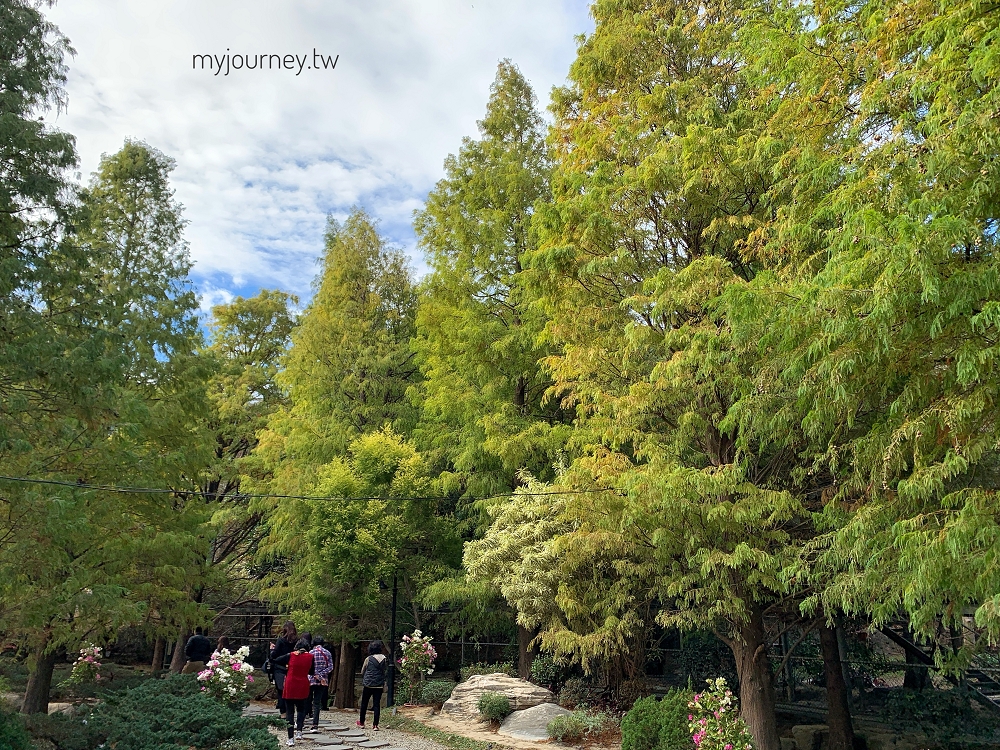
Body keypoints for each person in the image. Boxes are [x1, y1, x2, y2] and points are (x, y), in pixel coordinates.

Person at [272, 638, 314, 746]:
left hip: (290, 684)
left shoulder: (290, 655)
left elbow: (275, 659)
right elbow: (312, 671)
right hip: (303, 684)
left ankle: (290, 739)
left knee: (290, 712)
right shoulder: (310, 657)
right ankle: (299, 731)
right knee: (301, 709)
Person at [269, 621, 298, 719]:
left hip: (280, 667)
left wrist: (271, 650)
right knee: (291, 690)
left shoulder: (281, 640)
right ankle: (291, 710)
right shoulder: (297, 641)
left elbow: (274, 655)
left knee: (281, 690)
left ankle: (283, 712)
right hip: (292, 667)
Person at [357, 640, 387, 731]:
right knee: (377, 704)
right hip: (379, 684)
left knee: (364, 704)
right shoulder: (384, 658)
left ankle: (362, 723)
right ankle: (375, 725)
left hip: (368, 684)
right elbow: (384, 670)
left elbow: (363, 671)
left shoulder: (368, 659)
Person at [306, 636, 334, 733]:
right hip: (323, 681)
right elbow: (330, 667)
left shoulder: (311, 653)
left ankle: (302, 720)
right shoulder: (327, 653)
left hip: (311, 680)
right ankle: (315, 725)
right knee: (317, 703)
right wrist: (321, 675)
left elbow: (307, 667)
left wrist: (315, 674)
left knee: (307, 699)